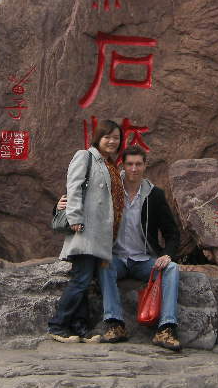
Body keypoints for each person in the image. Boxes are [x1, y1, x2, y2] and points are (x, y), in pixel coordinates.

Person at [99, 145, 183, 351]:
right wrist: (62, 205)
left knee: (171, 269)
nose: (134, 169)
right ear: (123, 165)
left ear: (145, 166)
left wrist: (167, 255)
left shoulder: (154, 195)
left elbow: (172, 233)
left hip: (145, 260)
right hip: (117, 258)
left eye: (138, 164)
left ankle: (167, 328)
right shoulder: (111, 190)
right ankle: (115, 323)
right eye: (130, 164)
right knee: (103, 264)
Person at [46, 120, 123, 342]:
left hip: (99, 233)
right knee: (81, 278)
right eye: (107, 136)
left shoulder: (109, 165)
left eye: (116, 138)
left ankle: (80, 328)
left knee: (84, 278)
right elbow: (74, 186)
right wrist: (75, 218)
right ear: (98, 138)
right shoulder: (86, 156)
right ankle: (57, 325)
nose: (112, 141)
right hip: (84, 229)